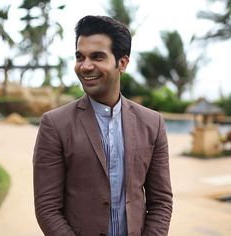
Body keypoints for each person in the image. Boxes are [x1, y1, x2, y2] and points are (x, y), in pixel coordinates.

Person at [33, 15, 173, 236]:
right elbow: (47, 208)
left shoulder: (152, 123)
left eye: (97, 57)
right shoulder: (54, 124)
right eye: (80, 57)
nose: (85, 66)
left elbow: (161, 201)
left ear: (123, 63)